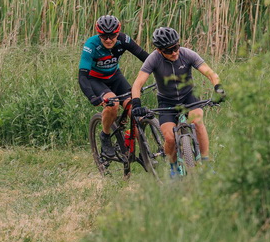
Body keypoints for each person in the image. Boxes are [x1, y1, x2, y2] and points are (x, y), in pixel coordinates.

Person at [130, 27, 225, 177]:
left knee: (198, 123)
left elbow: (211, 74)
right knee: (169, 138)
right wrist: (136, 104)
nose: (174, 53)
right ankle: (173, 168)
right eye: (169, 50)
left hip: (189, 96)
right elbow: (137, 84)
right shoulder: (153, 59)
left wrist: (219, 89)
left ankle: (206, 163)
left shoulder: (187, 54)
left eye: (176, 47)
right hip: (166, 101)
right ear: (159, 50)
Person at [78, 15, 150, 157]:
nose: (109, 40)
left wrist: (164, 70)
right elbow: (82, 76)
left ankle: (141, 150)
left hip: (115, 77)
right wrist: (91, 96)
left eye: (112, 36)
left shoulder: (124, 40)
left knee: (135, 112)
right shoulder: (91, 45)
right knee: (113, 104)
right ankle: (105, 136)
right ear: (98, 34)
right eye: (104, 36)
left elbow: (146, 58)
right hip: (96, 79)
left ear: (118, 33)